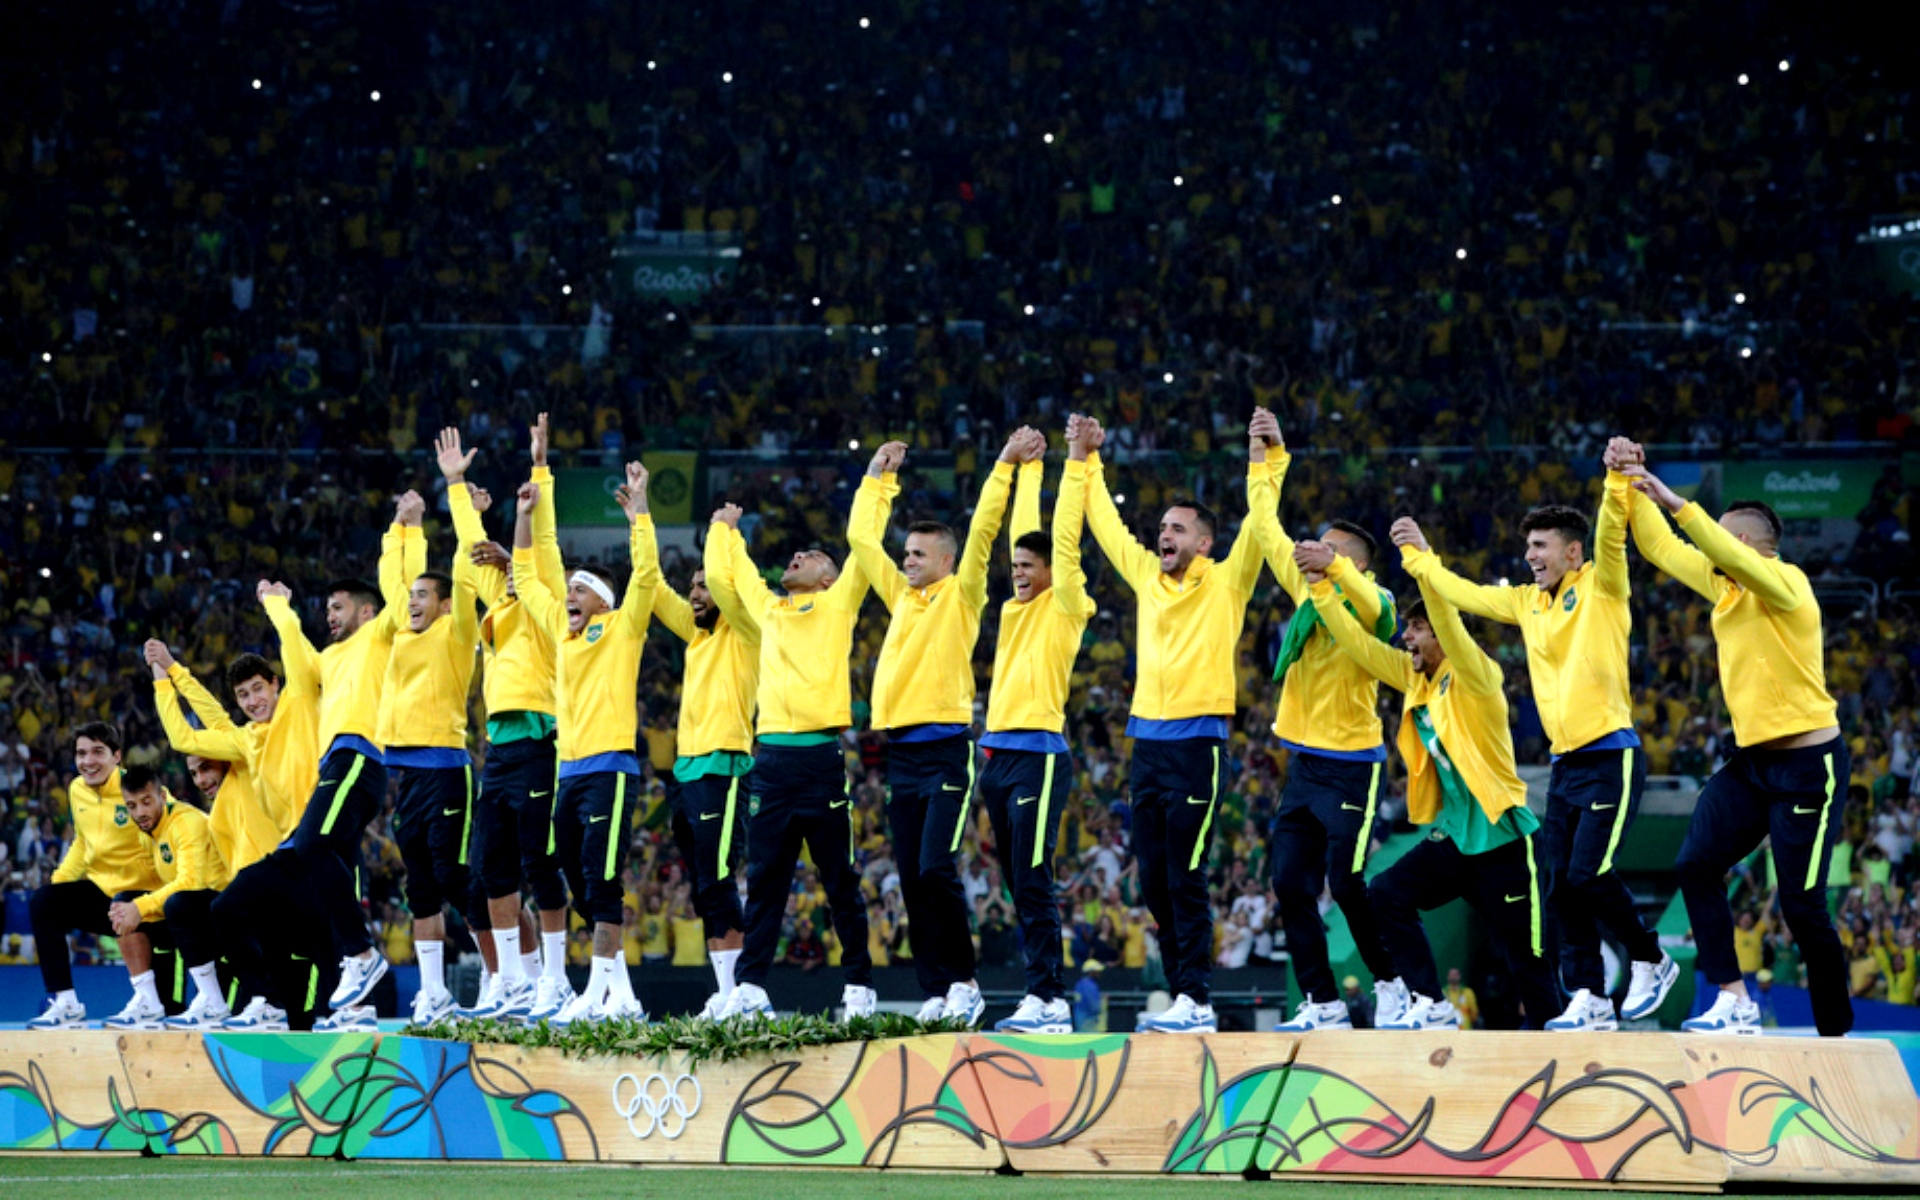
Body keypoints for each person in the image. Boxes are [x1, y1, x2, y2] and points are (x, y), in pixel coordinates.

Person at [1395, 477, 1676, 1032]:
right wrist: (1420, 558)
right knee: (1560, 886)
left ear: (1572, 552)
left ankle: (1651, 957)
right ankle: (1591, 996)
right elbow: (1465, 594)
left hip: (1611, 754)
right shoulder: (1527, 602)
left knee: (1588, 874)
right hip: (1564, 764)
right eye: (1528, 547)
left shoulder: (1601, 585)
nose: (1529, 556)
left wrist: (1614, 482)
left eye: (1540, 546)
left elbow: (1612, 537)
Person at [1618, 446, 1850, 1037]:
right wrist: (1627, 482)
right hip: (1752, 765)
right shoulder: (1727, 587)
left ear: (1744, 544)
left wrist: (1678, 503)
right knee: (1695, 864)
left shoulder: (1788, 584)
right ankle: (1733, 999)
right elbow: (1661, 548)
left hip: (1808, 767)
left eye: (1721, 539)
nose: (1709, 550)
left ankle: (1837, 1035)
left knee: (1801, 908)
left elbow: (1708, 546)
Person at [1305, 529, 1562, 1030]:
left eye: (1417, 629)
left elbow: (1450, 622)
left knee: (1527, 959)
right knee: (1387, 893)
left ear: (1443, 635)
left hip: (1504, 841)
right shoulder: (1416, 678)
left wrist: (1421, 559)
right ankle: (1431, 1002)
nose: (1406, 637)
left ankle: (1563, 1049)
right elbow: (1358, 645)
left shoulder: (1477, 676)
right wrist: (1319, 586)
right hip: (1457, 838)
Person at [1080, 409, 1282, 1033]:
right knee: (1153, 884)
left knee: (1184, 876)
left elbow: (1261, 524)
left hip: (1198, 747)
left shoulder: (1228, 582)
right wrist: (1087, 459)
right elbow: (1106, 524)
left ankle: (1197, 997)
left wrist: (1266, 458)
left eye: (1177, 528)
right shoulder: (1147, 577)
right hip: (1146, 748)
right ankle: (1182, 996)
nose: (1163, 534)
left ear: (1204, 543)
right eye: (1162, 527)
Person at [848, 434, 1017, 1026]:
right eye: (907, 553)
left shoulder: (962, 594)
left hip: (946, 751)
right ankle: (937, 990)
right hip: (902, 756)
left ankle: (966, 982)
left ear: (946, 561)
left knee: (935, 867)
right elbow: (860, 539)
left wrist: (1001, 465)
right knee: (911, 877)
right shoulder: (900, 597)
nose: (908, 561)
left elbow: (984, 532)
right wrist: (878, 476)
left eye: (919, 554)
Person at [702, 497, 876, 1021]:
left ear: (830, 579)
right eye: (798, 553)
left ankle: (860, 986)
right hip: (773, 762)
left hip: (820, 760)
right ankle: (751, 986)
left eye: (813, 555)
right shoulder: (770, 611)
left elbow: (864, 542)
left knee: (839, 880)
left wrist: (879, 480)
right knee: (764, 881)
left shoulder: (839, 604)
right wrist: (724, 530)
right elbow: (729, 578)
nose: (798, 555)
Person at [1261, 433, 1407, 1032]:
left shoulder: (1377, 601)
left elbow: (1372, 609)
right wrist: (1266, 461)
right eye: (1316, 543)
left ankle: (1393, 982)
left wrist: (1333, 567)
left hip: (1353, 764)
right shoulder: (1307, 589)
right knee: (1288, 883)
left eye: (1331, 547)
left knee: (1345, 883)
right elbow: (1266, 527)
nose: (1314, 551)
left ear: (1357, 563)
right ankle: (1322, 1002)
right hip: (1304, 765)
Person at [511, 462, 661, 1026]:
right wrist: (523, 517)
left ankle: (596, 997)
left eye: (580, 589)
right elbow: (526, 580)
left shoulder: (623, 627)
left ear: (602, 601)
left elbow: (646, 575)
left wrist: (639, 513)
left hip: (609, 769)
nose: (569, 594)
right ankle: (621, 996)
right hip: (568, 773)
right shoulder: (562, 630)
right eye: (569, 588)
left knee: (601, 880)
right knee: (579, 886)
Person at [264, 493, 420, 1030]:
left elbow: (404, 593)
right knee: (334, 872)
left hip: (358, 757)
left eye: (337, 608)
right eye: (326, 609)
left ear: (365, 611)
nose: (328, 616)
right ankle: (360, 1002)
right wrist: (280, 610)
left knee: (308, 848)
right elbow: (300, 668)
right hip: (337, 765)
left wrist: (402, 531)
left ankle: (360, 955)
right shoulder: (331, 657)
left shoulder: (379, 635)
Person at [976, 422, 1095, 1035]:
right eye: (1016, 565)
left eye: (1029, 566)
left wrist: (1070, 463)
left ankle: (1049, 998)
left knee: (1032, 877)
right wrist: (1026, 467)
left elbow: (1062, 542)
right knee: (1017, 882)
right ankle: (1039, 994)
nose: (1018, 573)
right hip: (997, 757)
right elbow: (1025, 530)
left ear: (1053, 571)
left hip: (1040, 755)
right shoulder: (1011, 607)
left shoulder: (1066, 604)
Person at [456, 413, 572, 1022]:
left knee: (539, 863)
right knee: (489, 871)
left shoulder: (545, 599)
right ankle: (511, 983)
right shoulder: (498, 602)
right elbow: (469, 546)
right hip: (497, 749)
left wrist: (539, 471)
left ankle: (554, 979)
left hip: (538, 739)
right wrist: (456, 485)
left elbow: (540, 545)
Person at [377, 428, 488, 1026]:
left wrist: (456, 488)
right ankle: (434, 992)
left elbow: (463, 570)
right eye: (413, 596)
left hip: (447, 768)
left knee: (455, 876)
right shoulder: (402, 631)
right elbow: (394, 580)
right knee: (419, 886)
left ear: (445, 605)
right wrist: (407, 525)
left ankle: (502, 977)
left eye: (425, 595)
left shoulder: (457, 632)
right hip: (407, 774)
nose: (414, 601)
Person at [143, 640, 300, 1028]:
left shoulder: (247, 752)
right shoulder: (240, 748)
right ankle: (217, 999)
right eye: (243, 694)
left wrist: (167, 679)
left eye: (205, 768)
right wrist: (170, 670)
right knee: (184, 906)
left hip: (275, 881)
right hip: (243, 891)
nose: (201, 779)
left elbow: (194, 730)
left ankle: (268, 1000)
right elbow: (212, 716)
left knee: (227, 911)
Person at [648, 510, 759, 1018]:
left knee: (717, 879)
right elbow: (653, 588)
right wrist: (640, 514)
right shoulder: (696, 637)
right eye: (691, 586)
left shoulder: (745, 629)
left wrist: (722, 531)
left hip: (724, 765)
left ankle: (743, 992)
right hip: (687, 771)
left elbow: (725, 582)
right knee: (702, 888)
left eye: (703, 586)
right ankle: (725, 991)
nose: (694, 593)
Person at [205, 584, 327, 1030]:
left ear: (275, 684)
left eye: (259, 688)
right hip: (287, 852)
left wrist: (276, 604)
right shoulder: (246, 738)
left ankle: (335, 1017)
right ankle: (266, 999)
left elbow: (293, 646)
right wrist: (169, 675)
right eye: (244, 696)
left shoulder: (299, 702)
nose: (254, 701)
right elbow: (190, 736)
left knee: (325, 949)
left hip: (323, 839)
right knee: (228, 910)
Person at [27, 723, 164, 1029]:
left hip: (147, 898)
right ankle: (65, 1002)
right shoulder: (77, 789)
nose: (88, 761)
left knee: (169, 1005)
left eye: (98, 752)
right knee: (43, 902)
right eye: (81, 753)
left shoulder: (136, 790)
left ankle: (148, 1002)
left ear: (117, 756)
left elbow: (167, 835)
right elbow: (82, 842)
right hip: (105, 894)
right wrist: (58, 884)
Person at [107, 766, 234, 1029]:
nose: (140, 813)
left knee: (176, 903)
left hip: (224, 919)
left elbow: (191, 883)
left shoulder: (186, 822)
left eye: (146, 802)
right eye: (132, 806)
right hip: (193, 916)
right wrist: (128, 908)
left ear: (162, 797)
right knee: (122, 901)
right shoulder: (149, 832)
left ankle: (212, 1000)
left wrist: (141, 906)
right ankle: (148, 1000)